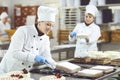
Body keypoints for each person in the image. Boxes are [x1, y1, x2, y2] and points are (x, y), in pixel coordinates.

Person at [0, 6, 58, 75]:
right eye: (48, 24)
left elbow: (47, 56)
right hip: (8, 70)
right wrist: (34, 57)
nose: (50, 28)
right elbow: (15, 53)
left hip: (23, 73)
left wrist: (54, 65)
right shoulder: (23, 31)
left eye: (52, 26)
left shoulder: (45, 39)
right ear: (39, 22)